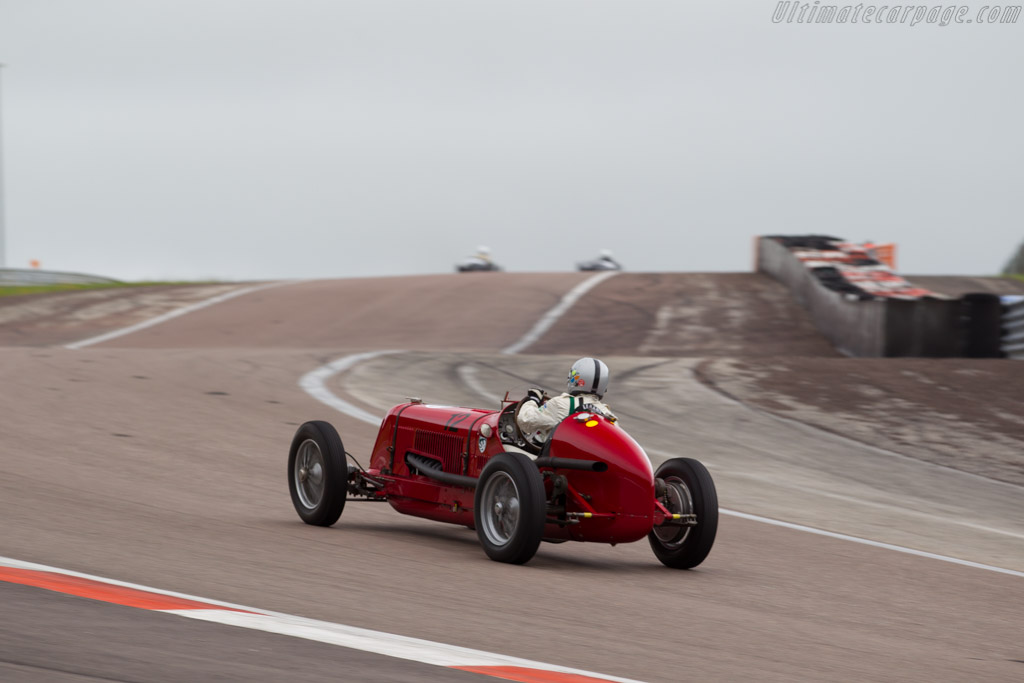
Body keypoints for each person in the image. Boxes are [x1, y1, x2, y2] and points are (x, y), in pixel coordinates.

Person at [516, 357, 618, 446]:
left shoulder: (560, 404)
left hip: (556, 462)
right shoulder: (609, 415)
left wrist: (533, 400)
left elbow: (525, 421)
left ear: (578, 380)